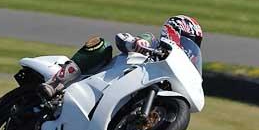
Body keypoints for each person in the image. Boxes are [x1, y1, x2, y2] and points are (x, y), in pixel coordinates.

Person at [39, 15, 203, 99]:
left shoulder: (175, 68)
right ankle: (55, 83)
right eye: (188, 40)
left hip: (127, 92)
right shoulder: (152, 41)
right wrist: (137, 43)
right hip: (104, 79)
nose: (189, 47)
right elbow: (121, 37)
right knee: (101, 45)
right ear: (176, 32)